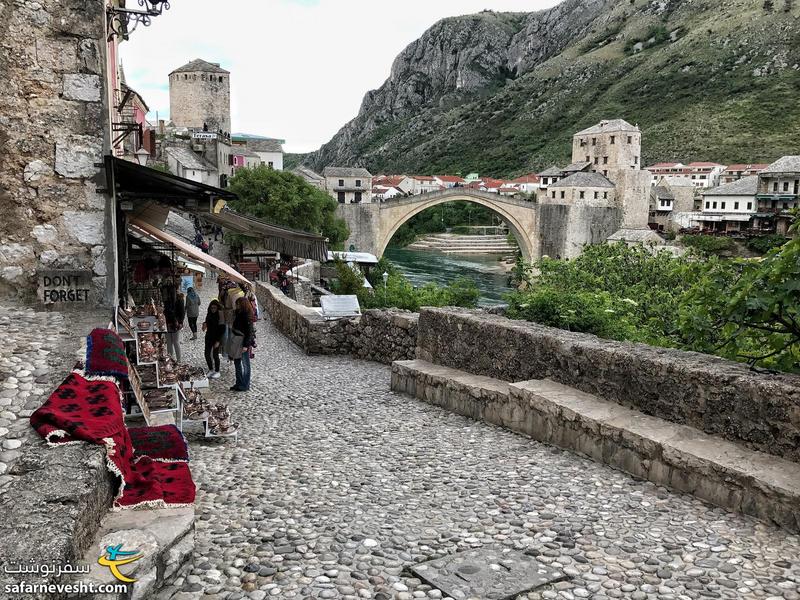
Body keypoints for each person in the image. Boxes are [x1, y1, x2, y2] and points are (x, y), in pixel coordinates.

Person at [230, 297, 254, 392]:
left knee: (245, 364)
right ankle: (239, 382)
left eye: (238, 304)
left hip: (243, 342)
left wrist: (246, 345)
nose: (236, 306)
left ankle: (245, 384)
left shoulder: (247, 316)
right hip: (236, 341)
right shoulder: (238, 314)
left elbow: (249, 332)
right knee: (237, 363)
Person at [202, 300, 224, 379]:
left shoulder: (220, 315)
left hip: (216, 337)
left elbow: (222, 329)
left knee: (215, 355)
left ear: (217, 308)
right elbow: (207, 321)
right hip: (208, 336)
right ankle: (211, 369)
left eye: (214, 308)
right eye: (212, 308)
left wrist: (218, 341)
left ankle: (217, 371)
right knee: (207, 354)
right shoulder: (209, 313)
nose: (213, 309)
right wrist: (204, 324)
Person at [163, 285, 185, 363]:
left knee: (175, 342)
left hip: (174, 322)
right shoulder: (169, 299)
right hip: (169, 322)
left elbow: (182, 312)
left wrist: (180, 322)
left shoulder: (179, 299)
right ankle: (171, 359)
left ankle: (177, 360)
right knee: (170, 342)